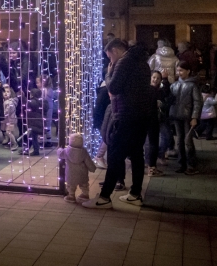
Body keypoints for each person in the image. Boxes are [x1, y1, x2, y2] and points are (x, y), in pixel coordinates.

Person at [84, 39, 149, 209]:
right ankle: (135, 194)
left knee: (115, 155)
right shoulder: (142, 62)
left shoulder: (123, 62)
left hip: (125, 115)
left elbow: (112, 87)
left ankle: (104, 198)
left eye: (109, 56)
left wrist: (108, 72)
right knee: (136, 155)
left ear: (115, 50)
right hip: (140, 115)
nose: (110, 60)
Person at [167, 61, 202, 175]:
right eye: (178, 70)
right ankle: (182, 164)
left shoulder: (192, 85)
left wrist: (194, 117)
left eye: (181, 70)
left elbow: (197, 102)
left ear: (188, 71)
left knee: (188, 141)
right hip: (177, 116)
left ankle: (191, 165)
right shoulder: (175, 85)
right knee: (180, 141)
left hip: (187, 117)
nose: (179, 72)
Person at [58, 133, 96, 203]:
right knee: (84, 184)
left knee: (71, 185)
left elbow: (60, 154)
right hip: (82, 174)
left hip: (71, 174)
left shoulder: (67, 151)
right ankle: (85, 195)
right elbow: (88, 161)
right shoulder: (84, 152)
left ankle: (71, 196)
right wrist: (92, 168)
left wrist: (59, 149)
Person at [21, 88, 44, 156]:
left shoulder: (31, 102)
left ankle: (36, 150)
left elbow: (28, 110)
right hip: (40, 122)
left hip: (34, 122)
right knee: (31, 136)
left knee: (33, 137)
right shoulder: (43, 102)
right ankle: (26, 149)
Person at [1, 84, 18, 149]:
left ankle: (15, 144)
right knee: (9, 132)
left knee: (8, 132)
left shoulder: (10, 103)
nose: (6, 93)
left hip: (11, 119)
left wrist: (3, 115)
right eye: (4, 92)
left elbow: (7, 111)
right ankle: (11, 143)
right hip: (8, 120)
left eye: (8, 92)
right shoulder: (5, 101)